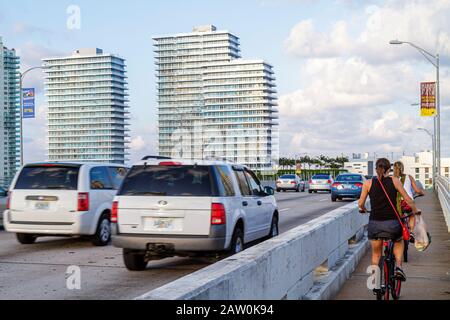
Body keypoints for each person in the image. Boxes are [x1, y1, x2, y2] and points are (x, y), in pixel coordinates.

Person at [358, 158, 419, 286]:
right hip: (392, 223)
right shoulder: (394, 181)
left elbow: (360, 204)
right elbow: (408, 199)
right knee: (399, 240)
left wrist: (363, 209)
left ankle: (375, 283)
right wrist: (416, 210)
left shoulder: (368, 183)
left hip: (375, 224)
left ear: (376, 169)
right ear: (389, 169)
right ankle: (398, 267)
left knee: (376, 254)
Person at [393, 161, 424, 237]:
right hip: (407, 202)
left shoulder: (392, 178)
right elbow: (417, 190)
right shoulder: (409, 177)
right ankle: (411, 232)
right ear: (402, 168)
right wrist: (421, 193)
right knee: (411, 215)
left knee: (396, 215)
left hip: (396, 202)